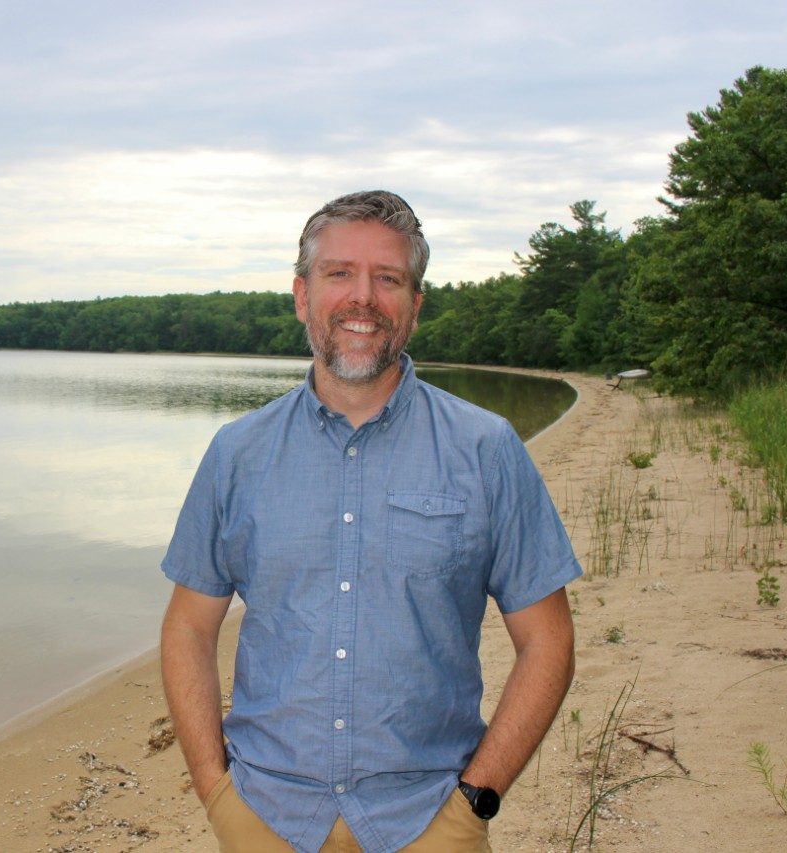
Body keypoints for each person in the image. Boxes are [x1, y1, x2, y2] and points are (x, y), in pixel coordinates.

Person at [159, 190, 580, 853]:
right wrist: (216, 791)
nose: (364, 298)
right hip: (264, 817)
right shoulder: (237, 454)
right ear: (302, 295)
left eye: (388, 278)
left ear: (414, 306)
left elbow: (549, 639)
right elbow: (188, 625)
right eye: (339, 274)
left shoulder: (487, 449)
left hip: (430, 820)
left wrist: (476, 801)